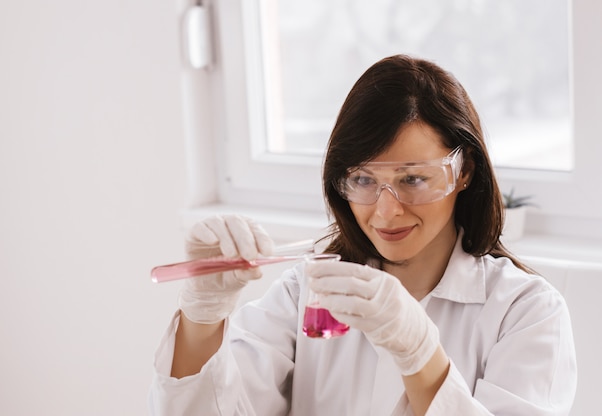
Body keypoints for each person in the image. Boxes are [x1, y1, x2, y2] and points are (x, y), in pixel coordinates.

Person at [148, 55, 577, 415]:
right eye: (363, 179)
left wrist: (421, 357)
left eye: (413, 179)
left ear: (463, 172)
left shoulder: (526, 312)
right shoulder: (307, 294)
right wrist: (203, 317)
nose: (386, 210)